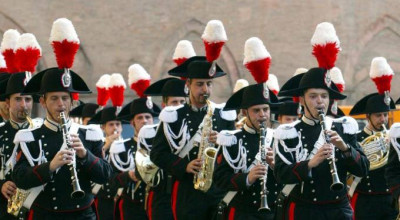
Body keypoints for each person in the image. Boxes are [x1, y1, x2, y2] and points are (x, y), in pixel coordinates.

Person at [12, 67, 113, 220]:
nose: (61, 104)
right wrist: (51, 166)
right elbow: (20, 179)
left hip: (83, 214)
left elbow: (106, 175)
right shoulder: (29, 137)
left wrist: (85, 155)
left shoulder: (89, 134)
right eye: (54, 98)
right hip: (46, 214)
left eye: (65, 98)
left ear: (72, 102)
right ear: (43, 102)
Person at [274, 67, 369, 220]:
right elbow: (280, 175)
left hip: (338, 210)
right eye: (313, 96)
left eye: (324, 96)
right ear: (302, 100)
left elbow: (363, 169)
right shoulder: (288, 132)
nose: (320, 101)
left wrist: (344, 148)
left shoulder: (343, 128)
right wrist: (310, 164)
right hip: (305, 211)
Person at [150, 56, 236, 220]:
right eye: (199, 84)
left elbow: (235, 154)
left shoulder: (223, 115)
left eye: (209, 84)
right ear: (188, 84)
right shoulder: (174, 116)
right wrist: (184, 165)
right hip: (188, 192)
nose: (205, 89)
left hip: (218, 192)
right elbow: (157, 153)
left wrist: (223, 140)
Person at [214, 83, 282, 220]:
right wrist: (247, 178)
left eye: (266, 109)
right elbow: (219, 180)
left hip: (273, 212)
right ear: (245, 113)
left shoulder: (279, 138)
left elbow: (290, 180)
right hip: (242, 212)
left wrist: (275, 166)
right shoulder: (231, 140)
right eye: (256, 110)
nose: (262, 115)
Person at [141, 77, 186, 220]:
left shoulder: (194, 129)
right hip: (162, 194)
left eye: (182, 102)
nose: (178, 106)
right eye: (174, 102)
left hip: (186, 193)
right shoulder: (149, 133)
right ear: (164, 104)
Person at [0, 72, 43, 220]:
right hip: (5, 208)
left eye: (28, 99)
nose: (24, 105)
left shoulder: (41, 131)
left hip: (37, 207)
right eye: (18, 99)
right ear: (8, 102)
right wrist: (1, 185)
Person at [349, 93, 398, 220]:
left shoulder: (394, 139)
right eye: (378, 115)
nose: (383, 119)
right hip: (366, 201)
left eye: (385, 115)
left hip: (390, 200)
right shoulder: (356, 139)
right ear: (367, 116)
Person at [111, 97, 160, 220]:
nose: (144, 121)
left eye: (147, 117)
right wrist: (128, 175)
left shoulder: (161, 144)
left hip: (158, 202)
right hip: (132, 205)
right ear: (132, 123)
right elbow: (111, 179)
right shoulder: (121, 147)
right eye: (140, 117)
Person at [87, 106, 125, 220]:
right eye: (111, 124)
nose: (115, 128)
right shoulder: (98, 145)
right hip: (102, 197)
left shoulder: (126, 145)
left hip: (122, 196)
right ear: (103, 127)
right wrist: (107, 145)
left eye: (118, 124)